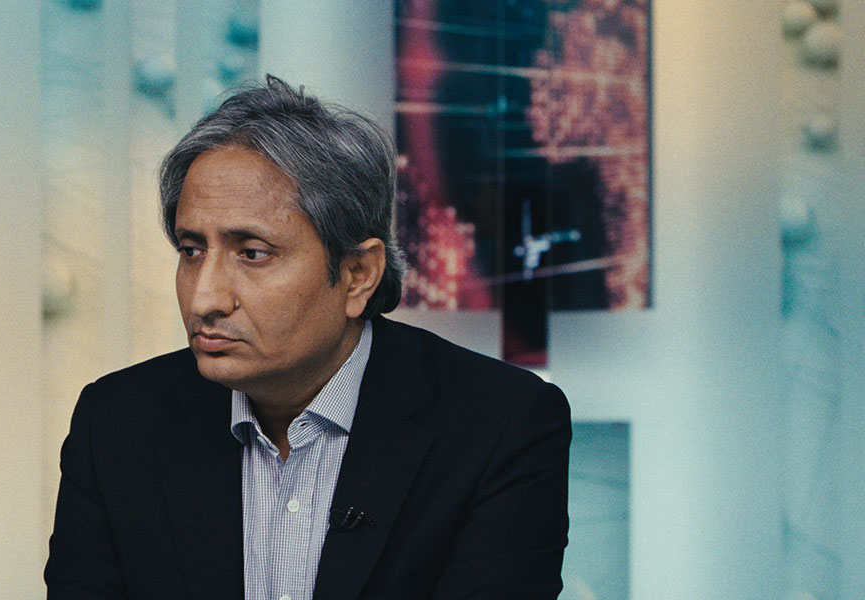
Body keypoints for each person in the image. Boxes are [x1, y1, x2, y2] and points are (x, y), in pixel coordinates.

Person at [45, 76, 571, 600]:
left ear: (358, 274)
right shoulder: (115, 423)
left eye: (252, 253)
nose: (204, 299)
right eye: (191, 251)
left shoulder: (502, 424)